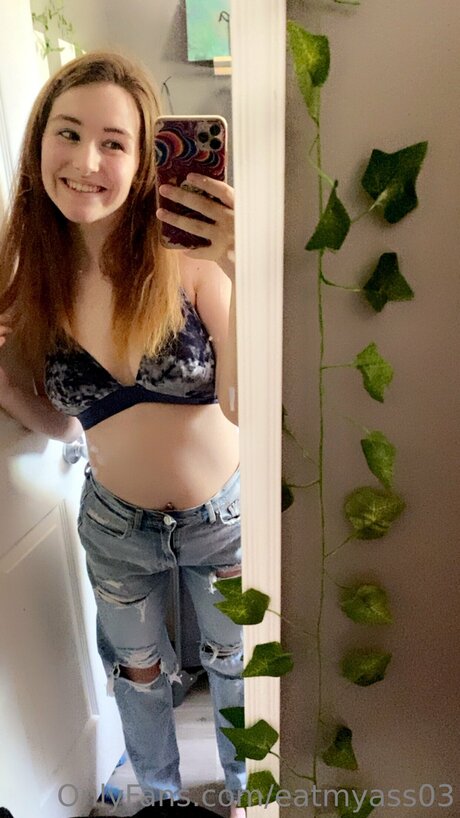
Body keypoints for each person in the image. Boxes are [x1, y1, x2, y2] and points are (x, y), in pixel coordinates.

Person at [0, 52, 245, 815]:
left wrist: (239, 261)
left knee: (238, 666)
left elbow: (245, 405)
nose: (86, 162)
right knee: (137, 677)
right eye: (68, 134)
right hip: (115, 528)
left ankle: (250, 795)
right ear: (40, 143)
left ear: (144, 161)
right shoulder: (32, 283)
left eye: (114, 142)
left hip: (222, 519)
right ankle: (162, 801)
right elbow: (62, 423)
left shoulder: (190, 261)